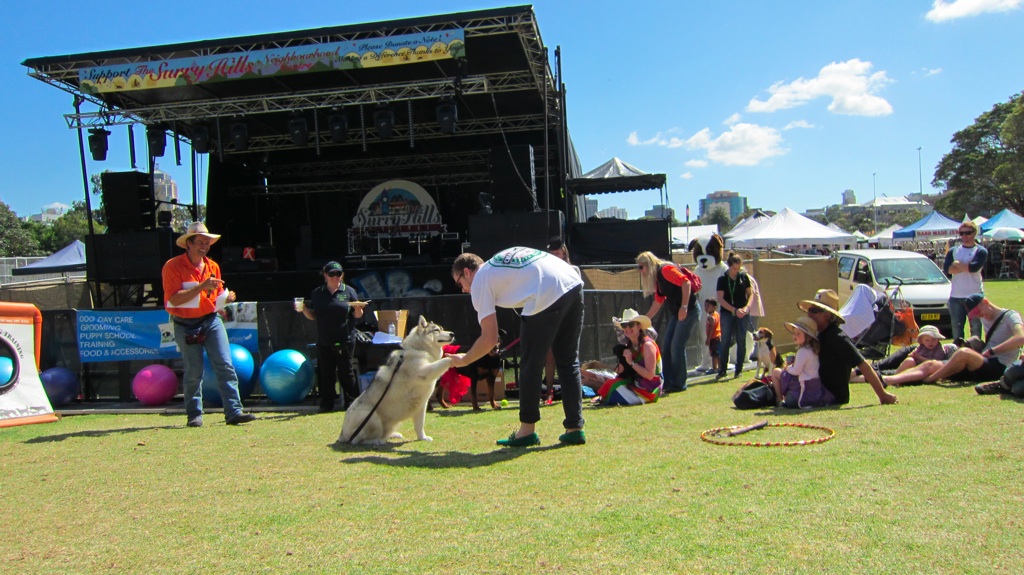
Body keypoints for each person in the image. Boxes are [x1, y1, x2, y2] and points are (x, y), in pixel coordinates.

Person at [449, 248, 586, 447]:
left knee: (530, 364)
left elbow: (490, 338)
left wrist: (464, 359)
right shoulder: (497, 265)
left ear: (467, 272)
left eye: (458, 282)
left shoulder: (480, 280)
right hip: (573, 282)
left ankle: (527, 432)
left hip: (547, 290)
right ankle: (575, 429)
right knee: (568, 361)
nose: (462, 289)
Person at [162, 221, 255, 427]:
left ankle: (234, 411)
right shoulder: (173, 266)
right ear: (189, 243)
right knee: (194, 371)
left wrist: (225, 298)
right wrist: (201, 286)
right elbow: (172, 300)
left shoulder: (213, 266)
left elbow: (215, 295)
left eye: (207, 243)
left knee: (225, 364)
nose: (205, 246)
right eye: (200, 242)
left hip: (211, 319)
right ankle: (194, 415)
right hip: (185, 324)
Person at [883, 294, 1024, 387]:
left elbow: (1020, 338)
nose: (979, 316)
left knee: (963, 353)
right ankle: (890, 379)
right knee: (931, 364)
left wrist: (992, 351)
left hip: (1000, 364)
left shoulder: (1010, 316)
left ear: (985, 302)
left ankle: (930, 379)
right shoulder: (986, 318)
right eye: (976, 315)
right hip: (982, 361)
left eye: (979, 312)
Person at [799, 289, 898, 406]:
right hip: (815, 388)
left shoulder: (836, 337)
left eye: (814, 311)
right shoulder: (818, 334)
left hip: (831, 395)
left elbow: (863, 364)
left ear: (827, 315)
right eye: (809, 310)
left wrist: (883, 395)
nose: (809, 315)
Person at [300, 261, 367, 413]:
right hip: (324, 339)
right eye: (332, 274)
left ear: (342, 275)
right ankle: (327, 404)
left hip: (345, 338)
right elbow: (313, 316)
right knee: (326, 373)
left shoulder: (348, 291)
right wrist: (304, 309)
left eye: (338, 274)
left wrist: (358, 309)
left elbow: (357, 315)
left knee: (346, 372)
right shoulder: (318, 293)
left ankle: (352, 403)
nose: (335, 277)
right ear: (325, 275)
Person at [637, 251, 698, 392]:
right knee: (667, 345)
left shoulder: (665, 270)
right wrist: (643, 320)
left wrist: (684, 306)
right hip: (677, 313)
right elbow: (658, 302)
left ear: (648, 264)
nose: (640, 271)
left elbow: (686, 283)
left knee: (677, 345)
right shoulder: (658, 278)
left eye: (641, 267)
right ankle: (668, 382)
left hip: (689, 310)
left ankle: (679, 384)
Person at [593, 310, 663, 405]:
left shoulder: (647, 345)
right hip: (636, 383)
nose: (627, 328)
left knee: (614, 388)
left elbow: (650, 375)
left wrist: (631, 362)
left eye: (631, 325)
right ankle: (604, 398)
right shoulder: (629, 346)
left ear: (638, 326)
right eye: (624, 325)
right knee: (611, 383)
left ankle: (605, 399)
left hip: (650, 389)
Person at [543, 236, 579, 405]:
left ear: (564, 253)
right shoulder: (545, 272)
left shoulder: (573, 270)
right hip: (551, 318)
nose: (555, 256)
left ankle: (570, 391)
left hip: (569, 318)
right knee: (549, 357)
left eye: (557, 253)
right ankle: (549, 391)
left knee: (568, 357)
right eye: (552, 253)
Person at [770, 317, 834, 408]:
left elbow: (796, 371)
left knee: (776, 372)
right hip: (815, 389)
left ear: (808, 336)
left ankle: (780, 400)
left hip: (805, 392)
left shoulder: (803, 351)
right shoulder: (813, 349)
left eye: (798, 334)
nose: (794, 336)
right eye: (794, 333)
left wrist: (788, 368)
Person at [944, 221, 988, 341]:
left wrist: (957, 263)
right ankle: (958, 351)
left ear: (974, 233)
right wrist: (965, 267)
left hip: (975, 295)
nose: (964, 236)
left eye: (968, 233)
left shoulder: (980, 251)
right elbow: (948, 270)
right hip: (956, 296)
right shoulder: (953, 251)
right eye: (961, 233)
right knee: (957, 330)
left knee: (976, 329)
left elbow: (974, 268)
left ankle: (975, 351)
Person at [716, 252, 752, 379]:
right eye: (734, 268)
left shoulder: (743, 277)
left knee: (741, 340)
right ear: (729, 266)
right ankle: (722, 370)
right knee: (725, 340)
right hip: (728, 313)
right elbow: (720, 299)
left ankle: (739, 369)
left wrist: (747, 308)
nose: (736, 271)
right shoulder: (722, 279)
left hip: (742, 312)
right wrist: (734, 310)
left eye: (738, 268)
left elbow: (751, 294)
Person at [704, 299, 721, 374]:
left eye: (708, 306)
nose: (706, 308)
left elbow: (711, 328)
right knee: (718, 353)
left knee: (714, 354)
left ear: (714, 307)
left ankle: (714, 368)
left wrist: (708, 338)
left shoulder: (711, 317)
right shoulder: (717, 314)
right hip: (718, 336)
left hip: (713, 337)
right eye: (705, 306)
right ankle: (720, 367)